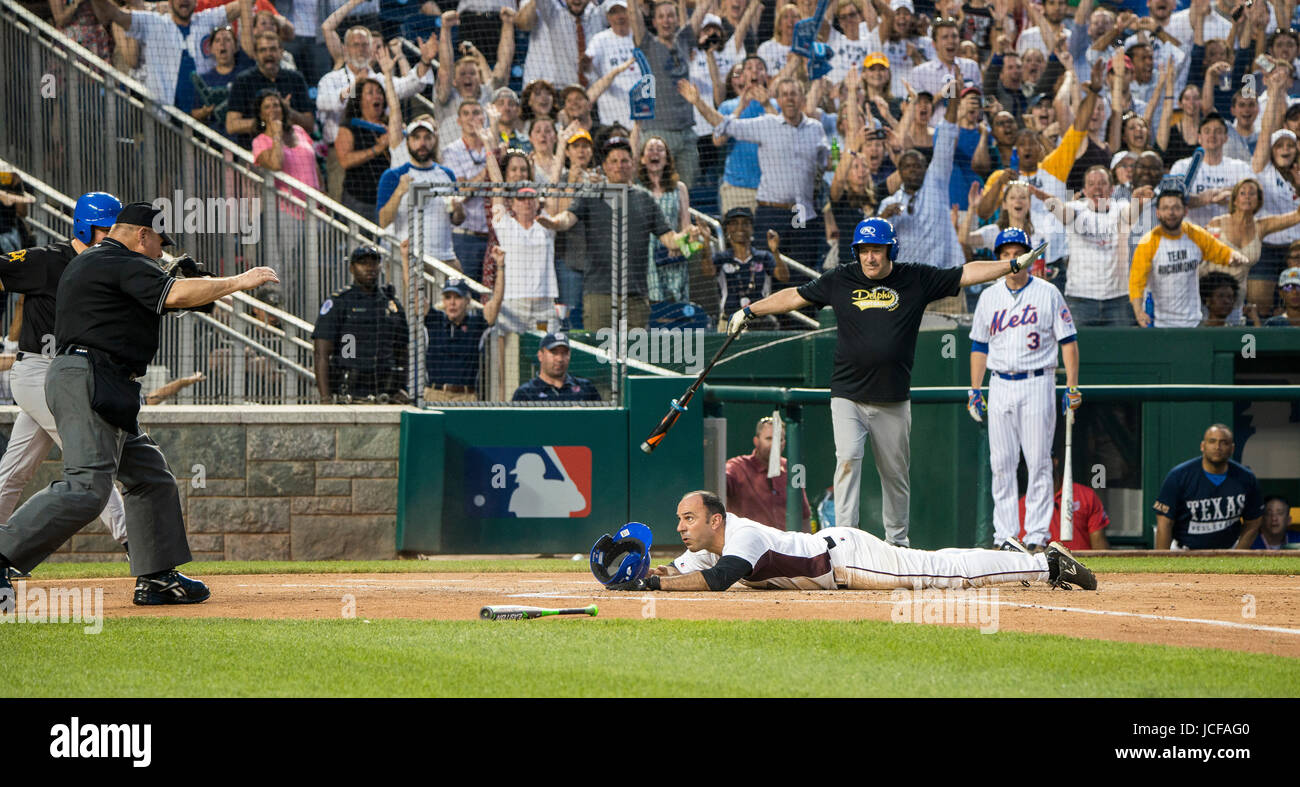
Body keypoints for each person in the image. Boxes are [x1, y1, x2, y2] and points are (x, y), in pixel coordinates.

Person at [0, 202, 279, 605]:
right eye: (158, 244)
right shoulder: (116, 258)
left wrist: (177, 280)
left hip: (101, 379)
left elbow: (164, 295)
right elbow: (178, 295)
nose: (161, 253)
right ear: (141, 234)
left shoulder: (104, 262)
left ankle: (157, 577)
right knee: (86, 486)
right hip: (87, 376)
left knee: (150, 476)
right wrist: (238, 280)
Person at [728, 217, 1049, 547]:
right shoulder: (841, 279)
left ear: (890, 249)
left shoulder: (915, 278)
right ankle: (843, 542)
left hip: (893, 398)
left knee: (895, 476)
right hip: (847, 394)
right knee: (848, 460)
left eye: (877, 250)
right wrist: (750, 310)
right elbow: (795, 296)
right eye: (864, 251)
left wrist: (1009, 265)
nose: (870, 257)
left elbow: (966, 273)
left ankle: (897, 544)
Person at [597, 490, 1097, 592]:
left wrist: (652, 589)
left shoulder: (742, 535)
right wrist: (645, 572)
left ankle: (1044, 564)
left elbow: (721, 579)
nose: (681, 528)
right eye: (679, 520)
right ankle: (1009, 558)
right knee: (940, 566)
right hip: (834, 559)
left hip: (848, 561)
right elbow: (680, 571)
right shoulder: (704, 547)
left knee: (942, 574)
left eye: (688, 519)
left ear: (717, 519)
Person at [0, 193, 128, 558]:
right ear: (86, 228)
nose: (115, 238)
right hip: (39, 370)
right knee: (90, 459)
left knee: (14, 473)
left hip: (68, 373)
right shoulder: (48, 260)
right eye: (108, 230)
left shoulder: (107, 267)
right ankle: (136, 545)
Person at [967, 228, 1081, 551]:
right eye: (1005, 253)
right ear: (998, 258)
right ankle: (1004, 536)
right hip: (1000, 382)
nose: (1011, 258)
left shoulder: (1048, 293)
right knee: (1001, 462)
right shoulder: (989, 296)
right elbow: (978, 345)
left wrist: (1072, 386)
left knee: (1038, 461)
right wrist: (975, 389)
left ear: (1030, 258)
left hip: (1038, 381)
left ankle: (1036, 535)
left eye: (1017, 252)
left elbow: (1069, 342)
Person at [679, 76, 829, 272]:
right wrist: (698, 102)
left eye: (794, 94)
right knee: (767, 272)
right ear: (778, 100)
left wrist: (834, 154)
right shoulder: (766, 124)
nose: (790, 99)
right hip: (772, 212)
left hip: (803, 212)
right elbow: (725, 125)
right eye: (784, 95)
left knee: (803, 274)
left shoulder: (815, 129)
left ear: (802, 98)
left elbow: (826, 161)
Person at [1130, 183, 1250, 327]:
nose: (1171, 213)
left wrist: (1234, 257)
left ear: (1185, 211)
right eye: (1165, 208)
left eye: (1176, 208)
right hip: (1159, 323)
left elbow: (1221, 252)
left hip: (1193, 322)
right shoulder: (1148, 242)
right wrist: (1138, 312)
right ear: (1158, 213)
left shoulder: (1195, 234)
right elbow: (1136, 282)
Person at [88, 0, 241, 112]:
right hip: (163, 120)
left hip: (203, 120)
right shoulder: (152, 22)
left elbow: (241, 5)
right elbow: (113, 13)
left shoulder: (206, 20)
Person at [312, 246, 409, 403]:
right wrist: (325, 398)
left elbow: (402, 351)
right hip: (350, 392)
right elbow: (321, 354)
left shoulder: (391, 304)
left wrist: (403, 387)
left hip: (387, 393)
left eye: (374, 263)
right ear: (352, 268)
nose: (369, 268)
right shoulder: (340, 302)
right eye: (363, 263)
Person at [1154, 423, 1264, 550]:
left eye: (1224, 442)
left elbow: (1254, 522)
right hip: (1184, 551)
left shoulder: (1246, 478)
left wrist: (1237, 555)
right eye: (1212, 441)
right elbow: (1164, 522)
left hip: (1228, 551)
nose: (1218, 447)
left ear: (1232, 448)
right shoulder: (1179, 475)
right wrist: (1163, 560)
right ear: (1203, 446)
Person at [376, 117, 464, 270]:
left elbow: (457, 220)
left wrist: (458, 209)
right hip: (409, 259)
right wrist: (399, 192)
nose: (422, 143)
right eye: (416, 138)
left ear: (434, 141)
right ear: (408, 142)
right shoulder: (392, 176)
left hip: (444, 258)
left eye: (427, 137)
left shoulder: (447, 174)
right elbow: (383, 221)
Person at [224, 31, 315, 149]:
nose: (268, 54)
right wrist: (266, 120)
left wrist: (289, 113)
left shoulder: (295, 78)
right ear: (255, 54)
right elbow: (231, 125)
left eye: (272, 49)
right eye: (263, 50)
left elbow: (310, 124)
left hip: (292, 151)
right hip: (253, 154)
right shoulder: (243, 80)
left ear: (281, 52)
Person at [701, 207, 786, 327]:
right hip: (729, 321)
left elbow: (783, 277)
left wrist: (775, 251)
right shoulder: (722, 258)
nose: (740, 228)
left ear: (752, 229)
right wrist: (706, 241)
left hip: (761, 322)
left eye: (745, 223)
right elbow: (707, 272)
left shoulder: (763, 257)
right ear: (727, 229)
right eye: (734, 224)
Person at [424, 276, 503, 403]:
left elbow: (496, 302)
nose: (452, 303)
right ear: (443, 301)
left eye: (458, 297)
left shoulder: (475, 325)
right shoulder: (434, 320)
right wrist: (406, 259)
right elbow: (415, 296)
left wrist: (500, 267)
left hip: (466, 397)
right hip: (435, 395)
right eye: (448, 297)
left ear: (468, 300)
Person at [724, 417, 811, 531]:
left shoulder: (794, 468)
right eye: (769, 439)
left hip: (785, 545)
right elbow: (716, 484)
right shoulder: (736, 467)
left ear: (784, 442)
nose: (774, 445)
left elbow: (804, 517)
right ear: (756, 441)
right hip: (749, 545)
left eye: (779, 439)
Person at [1018, 455, 1111, 551]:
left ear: (1054, 461)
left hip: (1082, 563)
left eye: (1040, 462)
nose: (1037, 467)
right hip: (1046, 564)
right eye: (1031, 464)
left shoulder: (1087, 495)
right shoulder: (1023, 505)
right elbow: (1026, 550)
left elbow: (1099, 544)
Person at [511, 332, 601, 402]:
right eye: (554, 352)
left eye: (564, 353)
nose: (560, 359)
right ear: (540, 356)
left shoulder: (586, 388)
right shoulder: (526, 393)